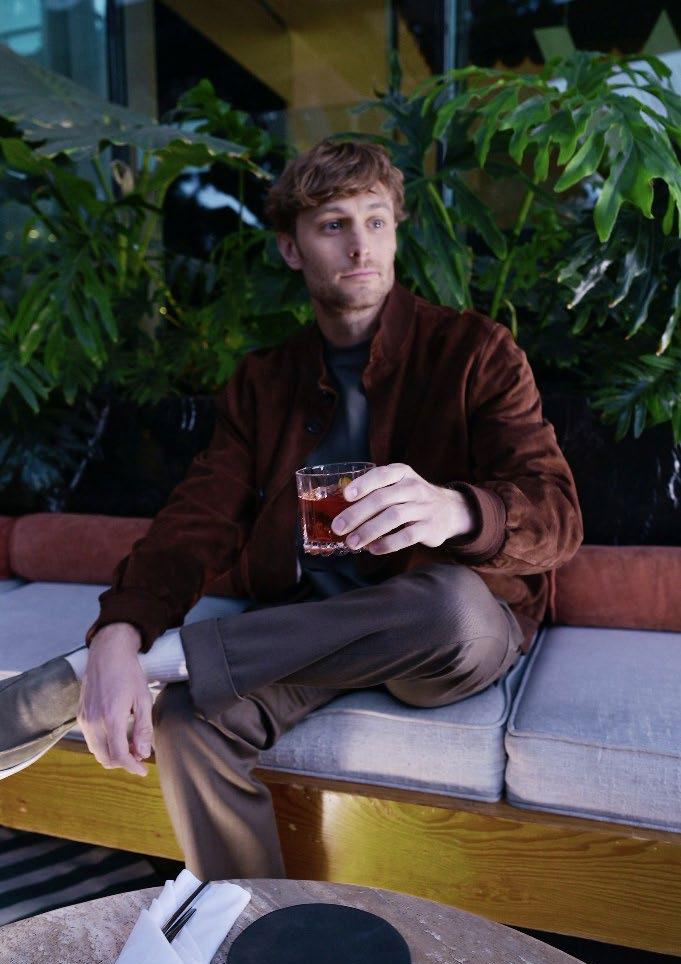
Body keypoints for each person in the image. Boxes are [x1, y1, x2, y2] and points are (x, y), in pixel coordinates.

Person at [0, 140, 583, 878]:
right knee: (187, 718)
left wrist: (457, 511)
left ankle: (133, 665)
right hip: (306, 629)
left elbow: (559, 516)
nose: (360, 245)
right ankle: (248, 918)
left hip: (436, 638)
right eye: (333, 225)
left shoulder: (476, 351)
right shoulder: (264, 381)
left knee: (452, 606)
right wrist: (121, 626)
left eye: (376, 220)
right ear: (290, 248)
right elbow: (199, 517)